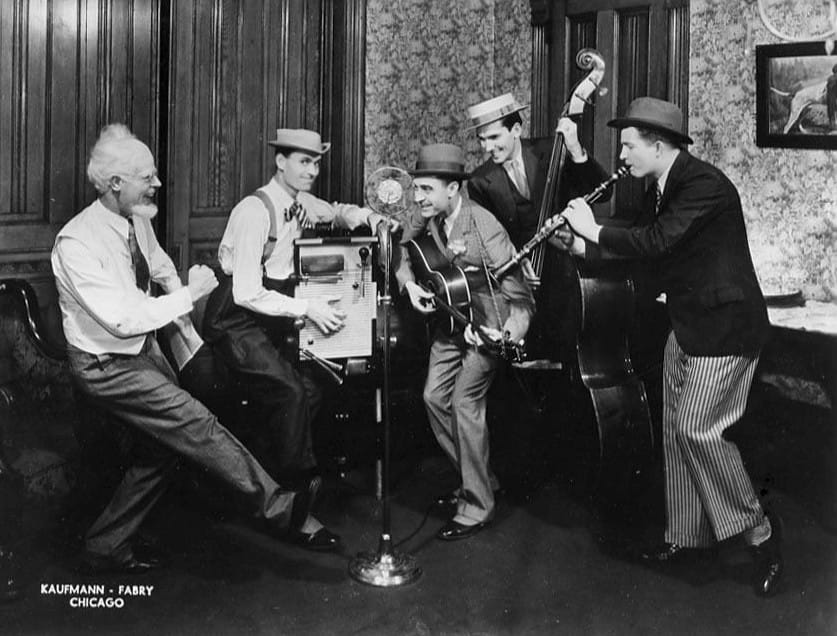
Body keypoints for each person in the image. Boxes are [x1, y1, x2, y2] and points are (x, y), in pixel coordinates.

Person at [51, 124, 319, 573]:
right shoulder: (77, 242)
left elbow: (156, 265)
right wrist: (190, 296)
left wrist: (184, 331)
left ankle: (105, 545)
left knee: (164, 447)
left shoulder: (134, 219)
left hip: (142, 351)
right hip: (106, 364)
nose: (157, 184)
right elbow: (121, 320)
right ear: (116, 183)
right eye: (147, 177)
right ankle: (280, 509)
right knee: (197, 424)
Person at [558, 97, 783, 597]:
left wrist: (592, 228)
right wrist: (584, 246)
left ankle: (760, 533)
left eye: (628, 146)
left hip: (724, 328)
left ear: (658, 146)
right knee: (675, 430)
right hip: (687, 324)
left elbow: (656, 242)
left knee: (698, 430)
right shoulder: (660, 188)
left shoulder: (704, 185)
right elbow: (637, 238)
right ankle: (688, 539)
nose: (623, 156)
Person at [201, 128, 388, 551]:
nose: (313, 170)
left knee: (311, 390)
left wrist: (367, 216)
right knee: (290, 393)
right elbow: (247, 291)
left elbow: (336, 212)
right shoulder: (255, 210)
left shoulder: (301, 202)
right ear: (279, 162)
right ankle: (294, 513)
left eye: (316, 162)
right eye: (303, 161)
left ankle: (272, 487)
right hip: (236, 317)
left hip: (272, 314)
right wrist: (306, 310)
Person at [395, 143, 535, 541]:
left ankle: (477, 505)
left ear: (453, 189)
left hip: (489, 329)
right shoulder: (427, 216)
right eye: (416, 189)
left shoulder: (484, 225)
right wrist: (408, 287)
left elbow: (522, 296)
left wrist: (506, 334)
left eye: (425, 189)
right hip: (451, 326)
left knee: (463, 402)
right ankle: (481, 478)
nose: (417, 197)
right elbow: (401, 250)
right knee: (432, 398)